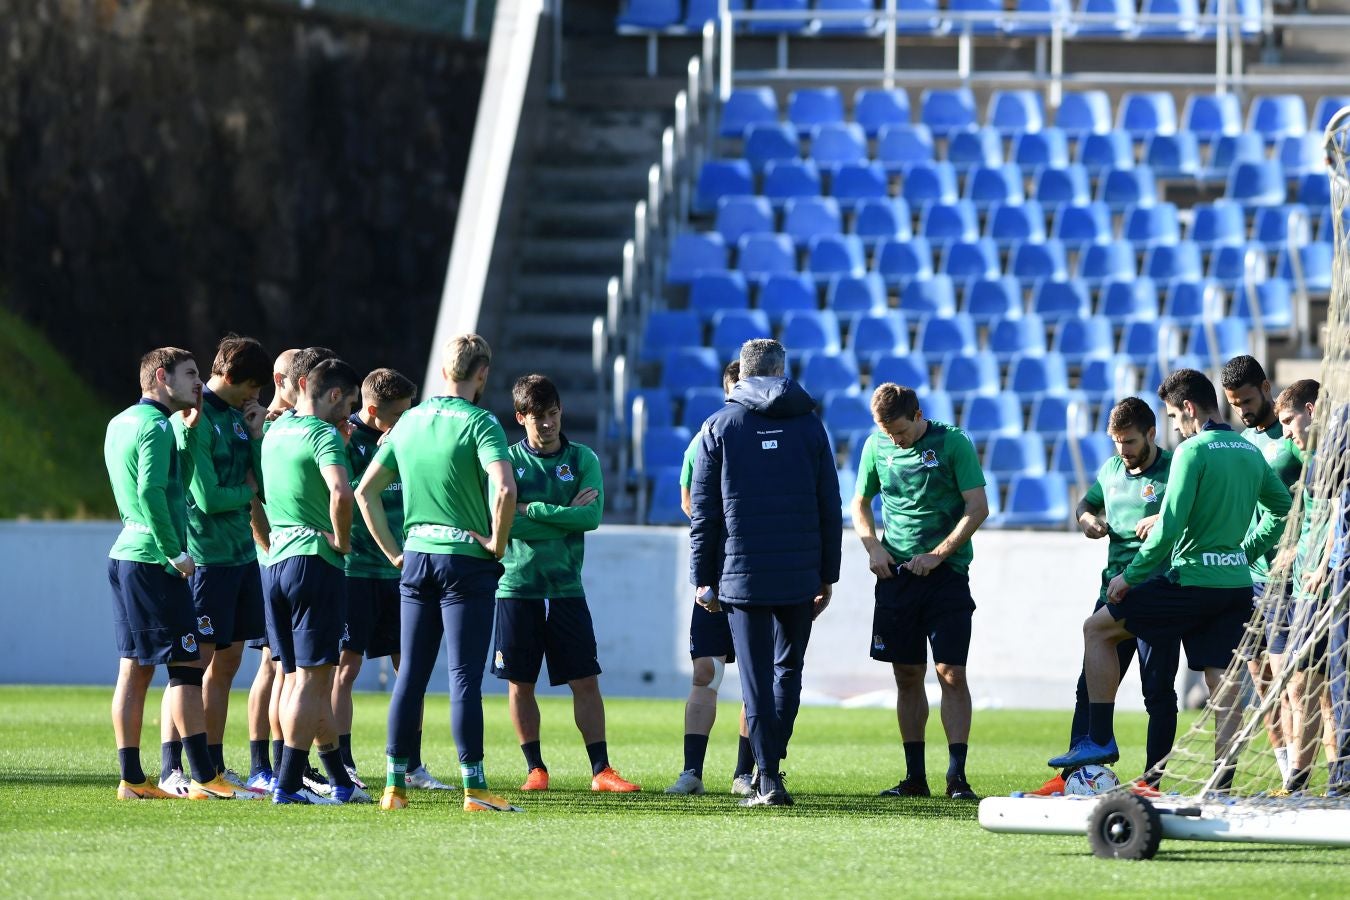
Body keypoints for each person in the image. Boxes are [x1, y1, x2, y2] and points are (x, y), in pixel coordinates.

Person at [1051, 369, 1292, 793]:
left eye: (1173, 416)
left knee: (1097, 630)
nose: (1174, 427)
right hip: (1234, 586)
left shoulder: (1192, 452)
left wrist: (1131, 575)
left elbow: (1169, 527)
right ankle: (1221, 782)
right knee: (1224, 680)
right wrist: (1242, 552)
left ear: (1189, 409)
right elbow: (1281, 509)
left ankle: (1100, 738)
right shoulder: (1250, 451)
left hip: (1188, 583)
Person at [357, 333, 521, 813]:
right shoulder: (481, 423)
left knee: (409, 677)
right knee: (464, 678)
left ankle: (393, 787)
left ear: (442, 370)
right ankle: (475, 789)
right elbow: (506, 489)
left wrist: (393, 552)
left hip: (416, 557)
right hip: (465, 560)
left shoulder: (408, 421)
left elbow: (365, 492)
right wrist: (497, 540)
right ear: (482, 374)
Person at [689, 338, 841, 807]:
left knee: (754, 678)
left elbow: (705, 514)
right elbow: (829, 506)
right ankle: (769, 768)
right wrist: (827, 575)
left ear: (745, 375)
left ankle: (768, 777)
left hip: (741, 575)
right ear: (780, 371)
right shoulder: (810, 426)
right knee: (787, 673)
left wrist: (703, 577)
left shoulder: (719, 426)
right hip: (798, 576)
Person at [104, 347, 247, 800]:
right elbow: (150, 490)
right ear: (161, 377)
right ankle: (206, 777)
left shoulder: (121, 422)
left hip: (126, 553)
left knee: (134, 668)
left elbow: (172, 483)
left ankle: (131, 779)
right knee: (186, 667)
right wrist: (174, 552)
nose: (198, 384)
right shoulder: (154, 426)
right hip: (152, 558)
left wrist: (187, 435)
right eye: (190, 375)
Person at [492, 374, 639, 793]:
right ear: (521, 417)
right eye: (538, 417)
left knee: (585, 680)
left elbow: (589, 518)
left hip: (565, 588)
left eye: (553, 414)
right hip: (517, 586)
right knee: (520, 682)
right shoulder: (505, 459)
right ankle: (535, 768)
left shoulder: (582, 459)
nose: (547, 423)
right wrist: (559, 515)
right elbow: (499, 522)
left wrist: (532, 509)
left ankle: (601, 770)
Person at [1030, 398, 1177, 796]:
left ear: (1151, 433)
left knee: (1158, 692)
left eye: (1129, 442)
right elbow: (1086, 502)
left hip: (1157, 590)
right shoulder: (1111, 470)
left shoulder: (1174, 469)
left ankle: (1153, 781)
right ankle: (1074, 775)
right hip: (1112, 590)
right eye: (1116, 442)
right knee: (1088, 688)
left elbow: (1189, 516)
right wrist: (1087, 519)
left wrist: (1163, 520)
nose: (1122, 451)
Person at [851, 383, 988, 801]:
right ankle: (914, 778)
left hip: (945, 575)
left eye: (900, 431)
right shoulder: (875, 446)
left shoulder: (952, 442)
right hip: (897, 577)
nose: (895, 439)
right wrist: (873, 546)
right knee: (906, 675)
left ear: (917, 414)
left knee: (951, 673)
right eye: (888, 433)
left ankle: (957, 777)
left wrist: (939, 554)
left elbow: (977, 506)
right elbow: (859, 504)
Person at [151, 336, 271, 798]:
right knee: (191, 666)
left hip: (242, 555)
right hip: (208, 559)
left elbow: (257, 481)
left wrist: (257, 437)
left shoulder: (241, 420)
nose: (255, 397)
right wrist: (247, 494)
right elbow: (208, 497)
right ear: (238, 378)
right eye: (253, 388)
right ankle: (171, 766)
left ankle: (215, 762)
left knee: (228, 662)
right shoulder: (194, 420)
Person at [260, 356, 369, 805]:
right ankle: (287, 785)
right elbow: (342, 493)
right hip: (315, 563)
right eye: (348, 405)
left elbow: (257, 495)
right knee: (310, 680)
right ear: (335, 395)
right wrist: (342, 541)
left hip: (276, 563)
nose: (350, 417)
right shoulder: (323, 434)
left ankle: (338, 781)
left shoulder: (275, 431)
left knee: (304, 679)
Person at [336, 367, 448, 790]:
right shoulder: (345, 441)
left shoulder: (410, 438)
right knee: (346, 668)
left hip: (405, 572)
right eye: (399, 414)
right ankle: (342, 762)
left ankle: (410, 764)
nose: (407, 420)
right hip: (357, 571)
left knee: (411, 668)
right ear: (371, 410)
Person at [667, 360, 755, 797]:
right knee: (706, 672)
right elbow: (689, 500)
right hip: (716, 575)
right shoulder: (707, 436)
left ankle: (744, 773)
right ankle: (692, 772)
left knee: (756, 678)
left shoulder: (769, 437)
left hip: (758, 574)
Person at [1221, 354, 1302, 782]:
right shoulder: (1242, 443)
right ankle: (1285, 771)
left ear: (1266, 388)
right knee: (1262, 682)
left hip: (1287, 576)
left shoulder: (1293, 438)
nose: (1243, 410)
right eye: (1235, 404)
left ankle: (1302, 777)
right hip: (1247, 577)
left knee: (1292, 680)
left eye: (1248, 400)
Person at [1273, 379, 1336, 791]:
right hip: (1306, 584)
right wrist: (1297, 554)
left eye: (1289, 420)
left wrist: (1326, 565)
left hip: (1322, 588)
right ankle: (1337, 780)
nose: (1286, 432)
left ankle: (1297, 783)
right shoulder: (1312, 458)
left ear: (1311, 410)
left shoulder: (1334, 454)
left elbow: (1340, 513)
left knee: (1303, 685)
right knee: (1323, 694)